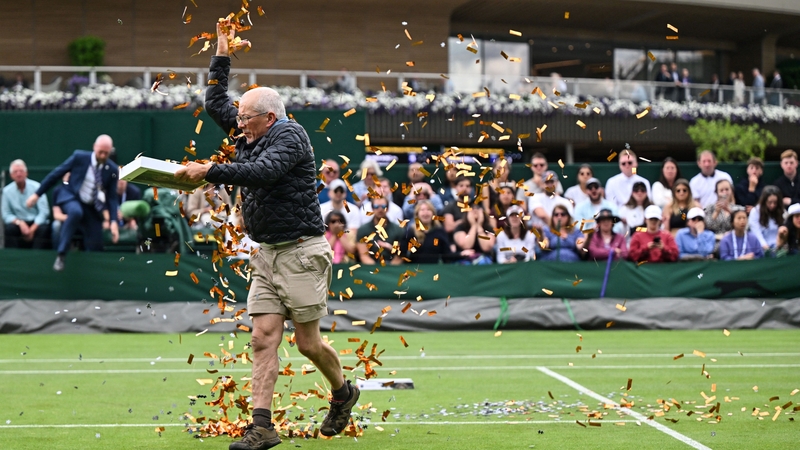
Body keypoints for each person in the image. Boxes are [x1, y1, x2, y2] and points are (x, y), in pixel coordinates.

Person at [174, 21, 359, 449]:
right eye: (238, 118)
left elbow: (264, 173)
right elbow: (215, 99)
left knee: (309, 343)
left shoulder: (290, 135)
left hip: (301, 252)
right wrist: (221, 51)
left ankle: (343, 392)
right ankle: (262, 427)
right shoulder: (248, 130)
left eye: (245, 118)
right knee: (262, 337)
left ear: (269, 117)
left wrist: (209, 171)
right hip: (266, 253)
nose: (237, 123)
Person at [27, 134, 120, 271]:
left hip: (91, 207)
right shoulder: (79, 157)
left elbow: (112, 198)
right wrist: (37, 194)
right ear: (94, 147)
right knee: (76, 212)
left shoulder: (112, 170)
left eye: (106, 153)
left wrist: (113, 222)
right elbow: (57, 174)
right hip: (71, 197)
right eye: (100, 151)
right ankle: (61, 255)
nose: (102, 155)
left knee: (97, 241)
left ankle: (93, 273)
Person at [2, 159, 50, 249]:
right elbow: (6, 214)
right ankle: (13, 258)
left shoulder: (37, 187)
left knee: (44, 229)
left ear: (26, 173)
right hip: (18, 223)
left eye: (21, 171)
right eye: (15, 172)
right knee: (9, 229)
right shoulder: (6, 191)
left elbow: (44, 212)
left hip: (36, 222)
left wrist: (32, 229)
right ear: (11, 175)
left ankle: (37, 258)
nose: (18, 174)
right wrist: (19, 223)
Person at [402, 200, 465, 264]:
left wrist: (461, 254)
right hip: (415, 271)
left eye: (428, 210)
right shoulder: (411, 232)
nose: (425, 213)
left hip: (434, 270)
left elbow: (447, 255)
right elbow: (402, 253)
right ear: (417, 214)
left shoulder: (440, 232)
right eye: (422, 210)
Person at [356, 196, 404, 265]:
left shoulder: (398, 230)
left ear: (387, 208)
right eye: (376, 206)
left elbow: (399, 256)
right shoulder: (363, 230)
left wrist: (389, 270)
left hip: (393, 269)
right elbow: (364, 256)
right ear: (372, 208)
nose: (380, 209)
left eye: (383, 206)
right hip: (370, 269)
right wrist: (377, 271)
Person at [748, 186, 784, 251]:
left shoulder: (782, 211)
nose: (772, 205)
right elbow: (756, 232)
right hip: (760, 248)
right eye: (769, 202)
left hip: (778, 247)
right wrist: (765, 247)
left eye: (775, 203)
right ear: (764, 201)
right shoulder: (755, 211)